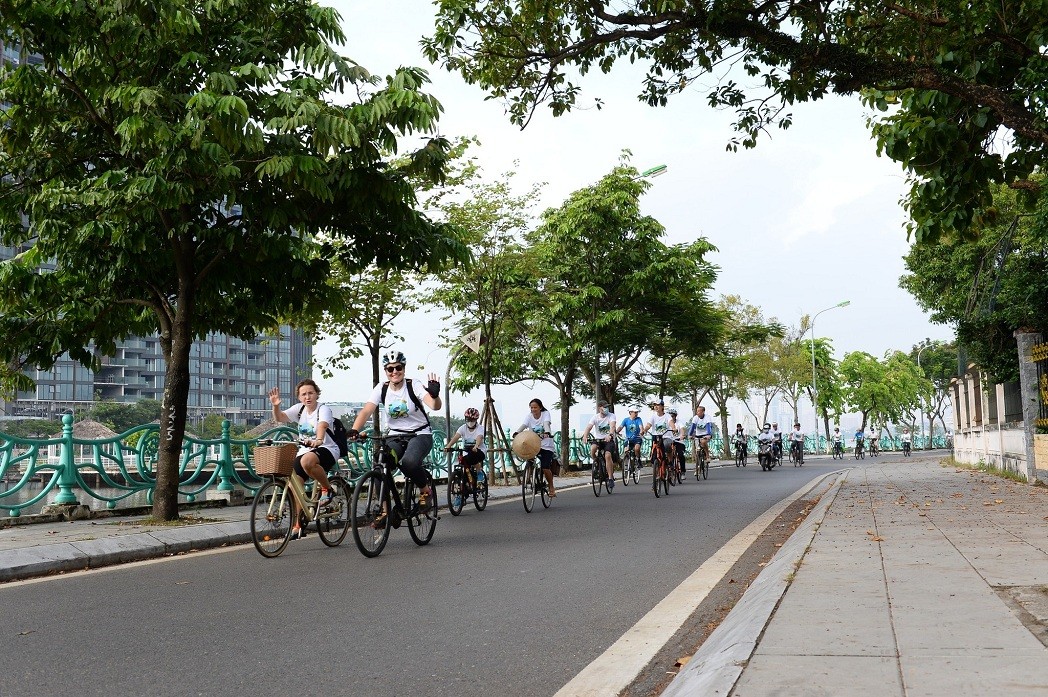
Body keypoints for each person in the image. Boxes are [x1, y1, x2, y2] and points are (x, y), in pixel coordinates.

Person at [349, 350, 441, 511]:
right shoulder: (381, 388)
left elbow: (434, 406)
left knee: (409, 462)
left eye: (398, 367)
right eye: (390, 369)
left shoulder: (414, 385)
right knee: (380, 464)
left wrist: (435, 395)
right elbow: (366, 411)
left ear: (404, 369)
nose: (395, 372)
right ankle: (385, 511)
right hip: (395, 436)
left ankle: (425, 490)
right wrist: (354, 430)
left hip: (420, 434)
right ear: (385, 371)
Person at [269, 379, 338, 538]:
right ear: (299, 397)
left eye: (311, 393)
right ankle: (298, 523)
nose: (308, 397)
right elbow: (280, 417)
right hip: (305, 450)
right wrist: (276, 405)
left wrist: (318, 440)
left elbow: (322, 426)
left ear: (316, 394)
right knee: (294, 485)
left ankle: (327, 488)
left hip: (325, 448)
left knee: (307, 461)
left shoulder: (323, 409)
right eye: (304, 394)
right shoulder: (299, 409)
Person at [513, 398, 557, 497]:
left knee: (545, 467)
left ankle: (551, 487)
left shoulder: (545, 414)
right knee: (529, 459)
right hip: (533, 444)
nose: (533, 409)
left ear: (540, 407)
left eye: (535, 407)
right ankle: (530, 477)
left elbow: (546, 423)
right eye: (531, 407)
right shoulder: (529, 416)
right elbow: (524, 425)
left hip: (546, 445)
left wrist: (547, 432)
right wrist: (517, 432)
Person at [444, 406, 486, 489]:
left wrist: (476, 446)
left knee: (471, 456)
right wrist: (448, 446)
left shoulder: (480, 428)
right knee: (464, 465)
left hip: (479, 451)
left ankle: (479, 471)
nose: (470, 422)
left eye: (472, 420)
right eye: (468, 420)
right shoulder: (463, 428)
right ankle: (463, 489)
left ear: (476, 420)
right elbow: (456, 437)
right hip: (467, 452)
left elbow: (479, 437)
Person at [582, 400, 617, 490]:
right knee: (593, 449)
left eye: (607, 407)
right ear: (599, 408)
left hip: (608, 440)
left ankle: (610, 478)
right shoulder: (595, 417)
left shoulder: (611, 416)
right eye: (604, 407)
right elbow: (589, 427)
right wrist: (585, 436)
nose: (606, 409)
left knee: (608, 455)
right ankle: (596, 462)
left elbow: (612, 426)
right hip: (598, 439)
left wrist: (610, 435)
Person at [641, 400, 675, 469]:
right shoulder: (653, 416)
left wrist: (674, 428)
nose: (656, 407)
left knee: (667, 445)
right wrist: (644, 430)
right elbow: (649, 425)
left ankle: (670, 461)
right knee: (653, 451)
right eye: (655, 405)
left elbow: (671, 422)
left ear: (662, 406)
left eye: (658, 405)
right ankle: (656, 464)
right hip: (656, 436)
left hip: (666, 436)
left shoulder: (667, 416)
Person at [668, 408, 687, 474]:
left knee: (680, 455)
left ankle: (682, 471)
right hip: (670, 440)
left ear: (675, 416)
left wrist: (682, 435)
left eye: (672, 416)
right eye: (670, 416)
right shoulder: (667, 423)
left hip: (679, 441)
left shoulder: (679, 422)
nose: (671, 418)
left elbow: (682, 429)